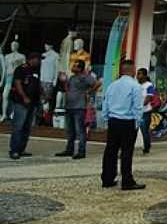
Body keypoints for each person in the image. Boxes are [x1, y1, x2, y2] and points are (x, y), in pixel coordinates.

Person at [101, 59, 145, 190]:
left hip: (113, 121)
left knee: (110, 151)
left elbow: (105, 103)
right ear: (133, 70)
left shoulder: (112, 85)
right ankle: (127, 180)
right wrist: (137, 122)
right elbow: (138, 107)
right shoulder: (135, 86)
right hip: (127, 122)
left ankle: (107, 178)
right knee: (126, 152)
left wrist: (106, 118)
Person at [55, 59, 97, 160]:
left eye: (75, 66)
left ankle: (81, 151)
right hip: (69, 106)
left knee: (80, 130)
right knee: (70, 130)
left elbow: (97, 83)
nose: (72, 68)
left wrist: (89, 92)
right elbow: (67, 89)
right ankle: (69, 149)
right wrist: (64, 81)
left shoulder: (85, 77)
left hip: (79, 107)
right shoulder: (72, 78)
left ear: (80, 68)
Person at [8, 52, 41, 160]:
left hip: (32, 103)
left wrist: (42, 93)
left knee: (27, 127)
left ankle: (21, 149)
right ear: (32, 59)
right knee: (18, 127)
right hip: (21, 102)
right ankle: (14, 150)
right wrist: (24, 97)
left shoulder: (35, 70)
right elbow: (18, 83)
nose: (39, 61)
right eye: (38, 59)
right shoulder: (21, 69)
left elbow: (36, 84)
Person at [137, 68, 155, 155]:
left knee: (144, 130)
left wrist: (140, 105)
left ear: (145, 75)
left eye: (139, 74)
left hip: (145, 112)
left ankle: (146, 148)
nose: (137, 76)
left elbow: (149, 98)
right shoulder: (136, 85)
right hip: (136, 112)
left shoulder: (149, 85)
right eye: (137, 74)